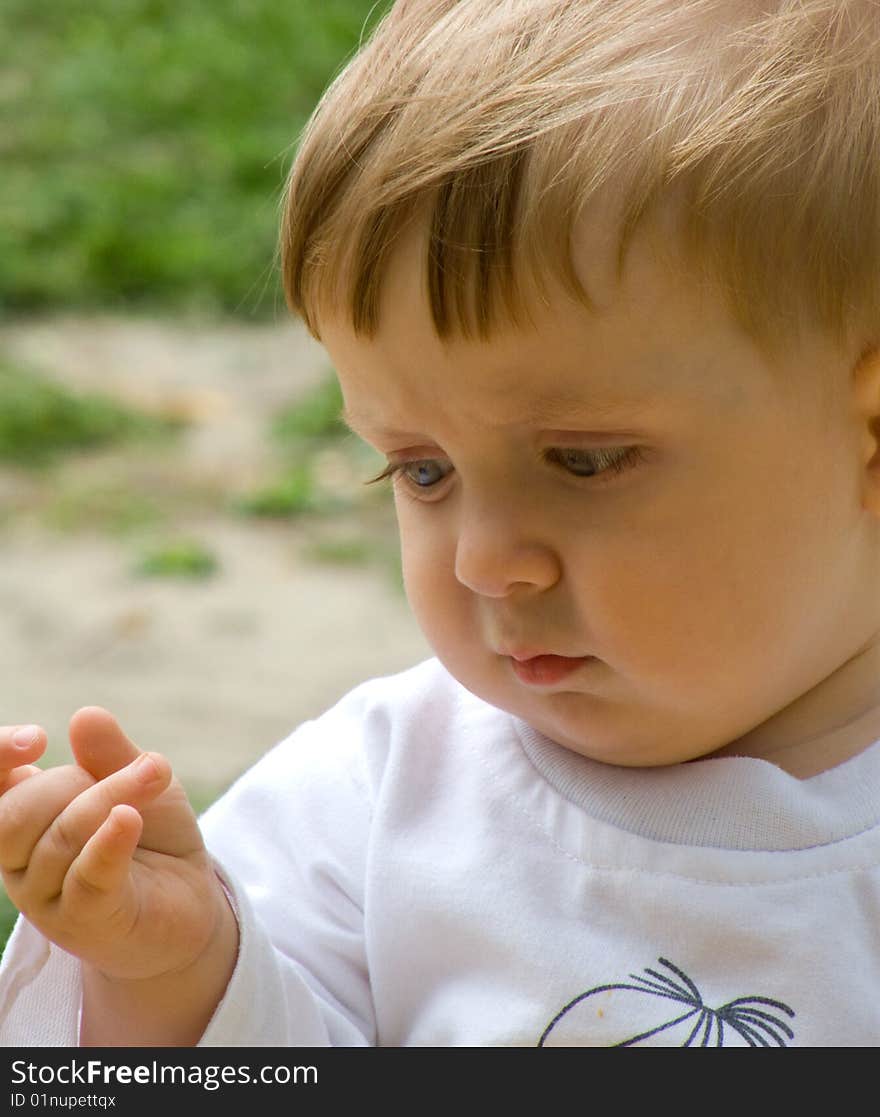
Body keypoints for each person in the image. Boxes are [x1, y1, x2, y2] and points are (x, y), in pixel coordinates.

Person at [1, 0, 880, 1047]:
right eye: (420, 469)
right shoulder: (370, 804)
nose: (483, 559)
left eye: (583, 459)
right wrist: (172, 973)